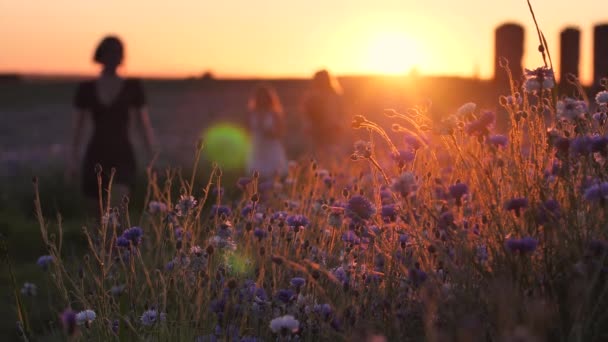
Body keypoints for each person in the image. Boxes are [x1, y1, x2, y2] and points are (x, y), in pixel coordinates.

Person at [67, 35, 155, 212]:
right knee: (97, 217)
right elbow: (77, 129)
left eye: (117, 53)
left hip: (123, 154)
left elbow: (143, 125)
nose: (113, 58)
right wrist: (73, 160)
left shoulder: (133, 86)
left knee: (118, 212)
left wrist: (152, 159)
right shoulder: (86, 89)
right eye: (110, 53)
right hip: (95, 155)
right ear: (101, 56)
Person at [246, 84, 288, 179]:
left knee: (273, 176)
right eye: (259, 96)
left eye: (264, 97)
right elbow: (246, 130)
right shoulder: (251, 113)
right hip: (256, 148)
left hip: (271, 148)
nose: (262, 99)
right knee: (256, 177)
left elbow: (281, 132)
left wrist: (269, 133)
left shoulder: (275, 114)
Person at [303, 69, 347, 159]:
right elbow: (307, 114)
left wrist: (337, 125)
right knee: (318, 158)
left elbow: (341, 114)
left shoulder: (334, 96)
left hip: (331, 132)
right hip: (317, 133)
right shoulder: (311, 97)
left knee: (331, 157)